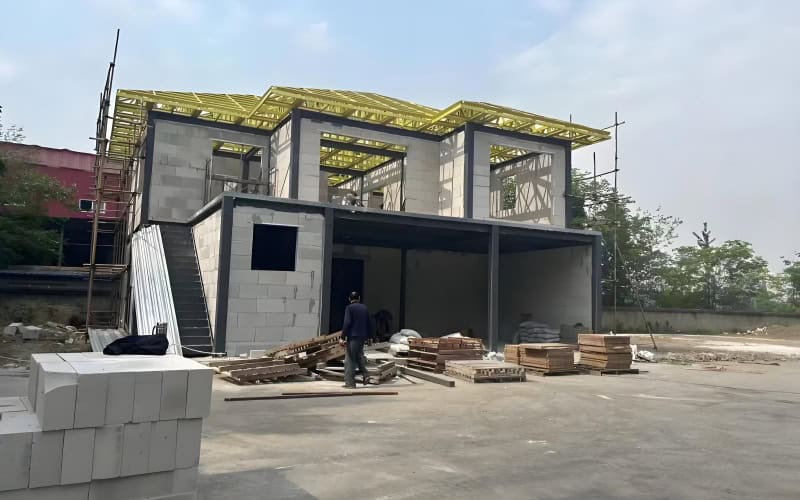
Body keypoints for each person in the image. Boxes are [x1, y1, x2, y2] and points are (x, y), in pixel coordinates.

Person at [341, 291, 371, 388]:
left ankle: (350, 383)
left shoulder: (349, 308)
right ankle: (366, 375)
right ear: (359, 298)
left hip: (353, 337)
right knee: (358, 356)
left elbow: (347, 323)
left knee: (349, 360)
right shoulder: (364, 308)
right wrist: (370, 337)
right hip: (362, 337)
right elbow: (369, 323)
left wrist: (342, 337)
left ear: (349, 299)